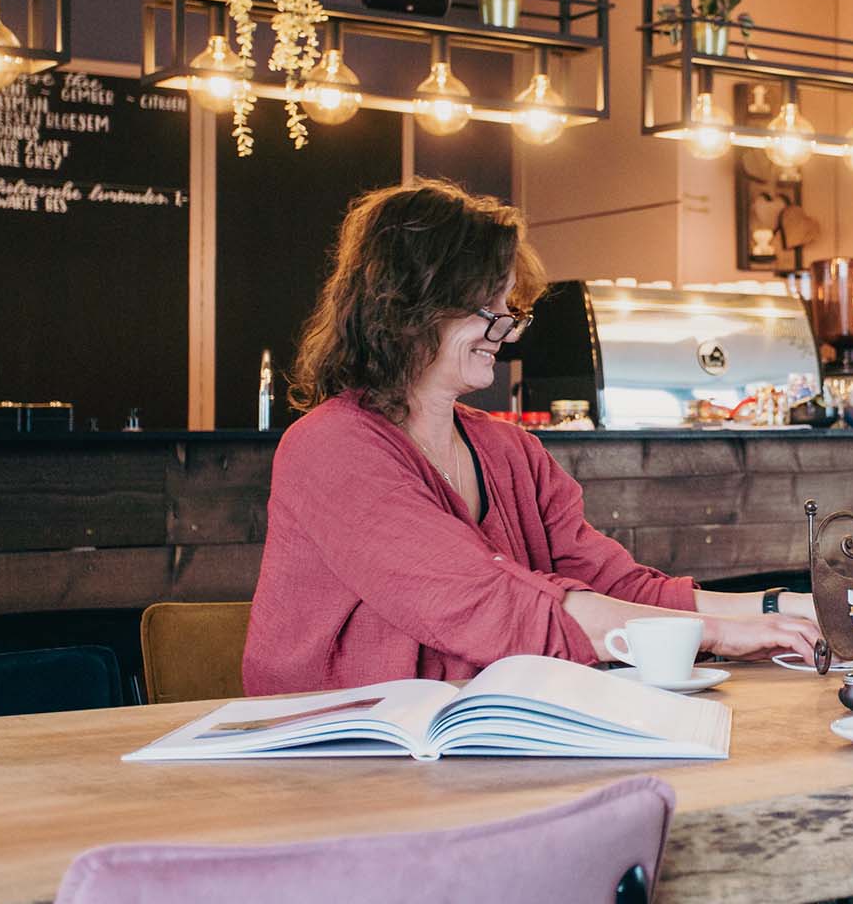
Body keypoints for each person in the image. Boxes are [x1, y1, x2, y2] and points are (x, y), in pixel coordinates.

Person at [243, 179, 821, 695]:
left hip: (478, 736)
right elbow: (484, 603)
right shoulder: (332, 447)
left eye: (508, 309)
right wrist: (717, 633)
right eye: (486, 308)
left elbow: (617, 586)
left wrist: (778, 607)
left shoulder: (509, 450)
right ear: (408, 308)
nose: (505, 330)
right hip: (336, 752)